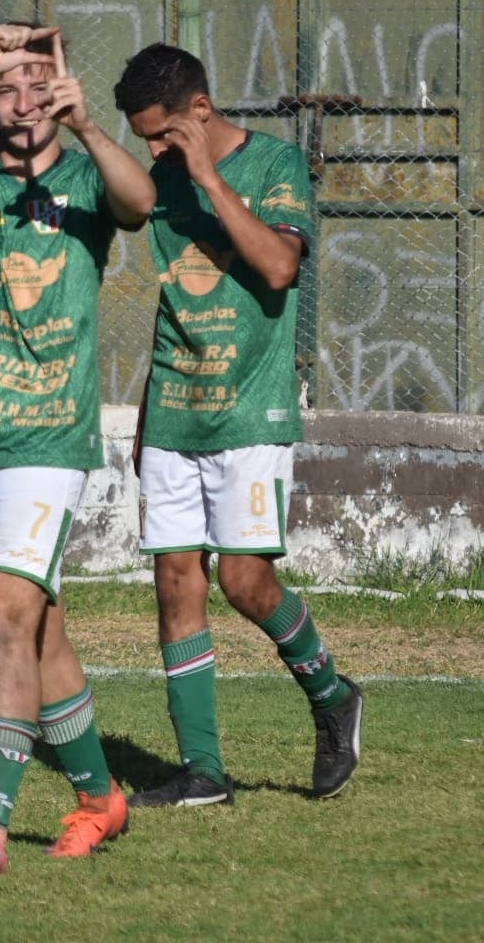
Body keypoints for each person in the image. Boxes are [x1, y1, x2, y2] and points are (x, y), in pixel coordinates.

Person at [0, 23, 156, 875]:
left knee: (3, 619)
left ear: (61, 89)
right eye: (5, 88)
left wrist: (89, 125)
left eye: (38, 83)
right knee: (38, 632)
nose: (23, 101)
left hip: (48, 440)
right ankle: (100, 800)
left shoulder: (88, 173)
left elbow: (143, 202)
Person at [111, 42, 363, 807]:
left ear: (200, 109)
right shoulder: (154, 182)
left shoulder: (276, 166)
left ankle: (332, 695)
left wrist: (208, 179)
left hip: (252, 408)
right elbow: (174, 301)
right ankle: (203, 770)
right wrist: (148, 409)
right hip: (175, 410)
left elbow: (279, 268)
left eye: (162, 134)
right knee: (174, 580)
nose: (154, 151)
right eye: (142, 139)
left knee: (244, 580)